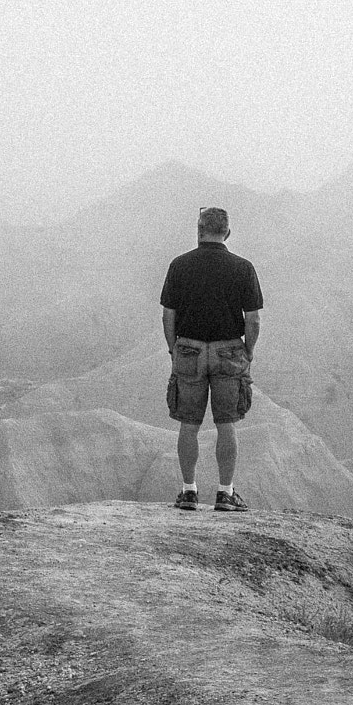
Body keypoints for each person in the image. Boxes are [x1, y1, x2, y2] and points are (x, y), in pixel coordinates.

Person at [160, 206, 263, 511]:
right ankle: (225, 493)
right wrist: (249, 351)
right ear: (227, 233)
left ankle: (189, 491)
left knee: (189, 424)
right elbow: (253, 320)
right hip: (229, 352)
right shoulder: (243, 268)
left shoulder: (179, 265)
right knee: (227, 424)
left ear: (199, 230)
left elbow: (168, 315)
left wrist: (173, 349)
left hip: (188, 349)